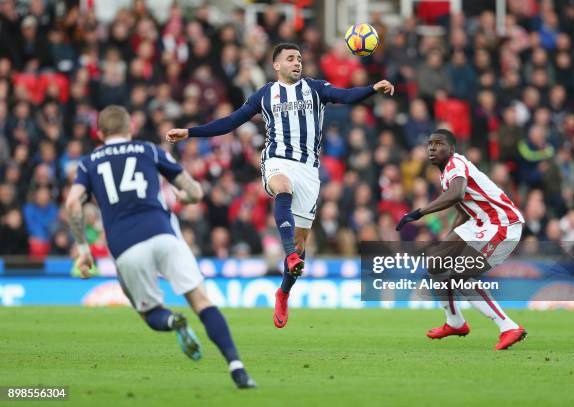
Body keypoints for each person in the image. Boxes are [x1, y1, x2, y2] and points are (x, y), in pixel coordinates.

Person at [166, 42, 394, 328]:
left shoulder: (315, 88)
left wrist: (372, 89)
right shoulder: (265, 95)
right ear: (277, 65)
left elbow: (345, 96)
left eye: (299, 58)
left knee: (301, 247)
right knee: (282, 188)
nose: (297, 62)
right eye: (290, 58)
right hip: (277, 160)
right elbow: (230, 121)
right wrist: (190, 132)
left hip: (309, 170)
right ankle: (288, 257)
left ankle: (283, 291)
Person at [65, 105, 256, 388]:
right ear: (130, 129)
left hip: (126, 247)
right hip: (163, 234)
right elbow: (194, 191)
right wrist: (186, 198)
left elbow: (72, 204)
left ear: (100, 133)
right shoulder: (149, 150)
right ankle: (236, 366)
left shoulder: (89, 162)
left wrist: (83, 249)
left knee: (150, 311)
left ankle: (172, 322)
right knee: (202, 302)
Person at [396, 129, 527, 350]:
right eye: (430, 144)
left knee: (460, 273)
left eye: (439, 144)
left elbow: (456, 194)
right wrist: (447, 240)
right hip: (480, 222)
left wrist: (420, 212)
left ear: (452, 149)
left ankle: (508, 326)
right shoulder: (446, 174)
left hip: (502, 224)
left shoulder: (456, 164)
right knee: (436, 262)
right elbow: (463, 212)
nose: (432, 148)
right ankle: (454, 322)